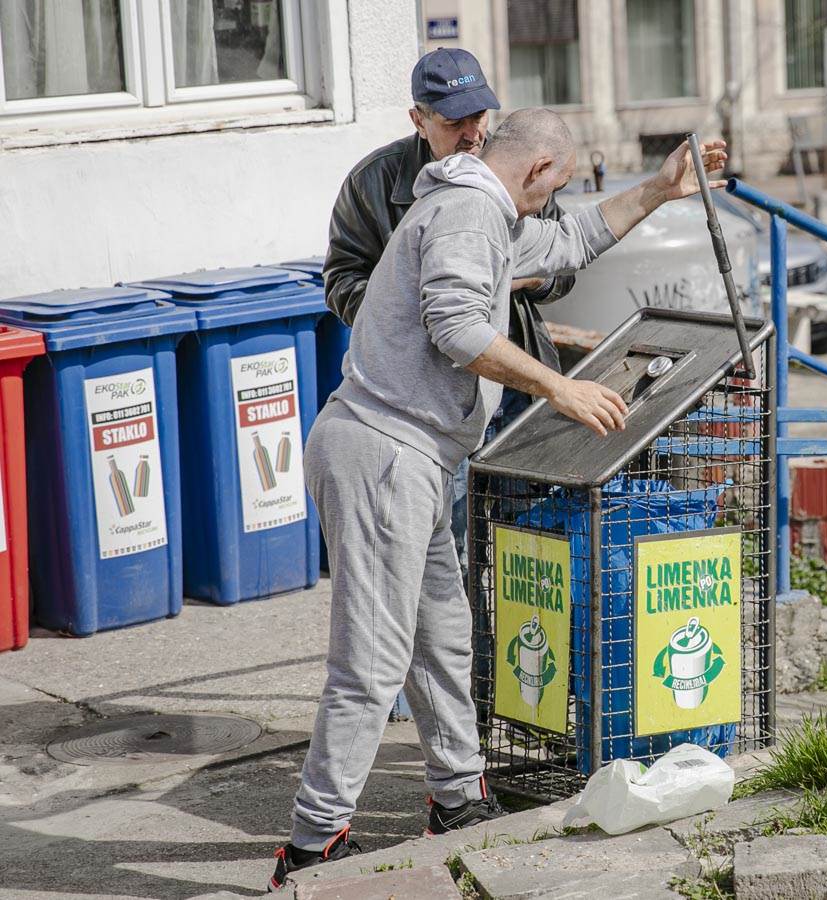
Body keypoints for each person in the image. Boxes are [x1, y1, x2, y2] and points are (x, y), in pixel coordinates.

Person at [266, 108, 728, 891]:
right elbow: (454, 328)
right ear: (538, 173)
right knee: (372, 664)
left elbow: (576, 239)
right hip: (384, 450)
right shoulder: (467, 213)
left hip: (411, 453)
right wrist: (560, 386)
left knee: (444, 633)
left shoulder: (485, 209)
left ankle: (458, 797)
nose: (556, 200)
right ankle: (312, 847)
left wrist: (657, 190)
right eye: (559, 184)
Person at [322, 47, 572, 723]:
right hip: (424, 403)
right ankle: (418, 696)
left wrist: (511, 273)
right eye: (456, 118)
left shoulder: (510, 161)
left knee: (521, 543)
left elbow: (563, 256)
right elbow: (341, 280)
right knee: (444, 558)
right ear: (419, 118)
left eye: (481, 113)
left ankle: (515, 694)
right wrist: (423, 281)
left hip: (512, 376)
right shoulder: (374, 182)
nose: (473, 131)